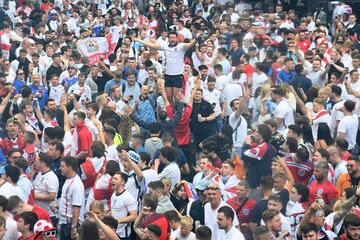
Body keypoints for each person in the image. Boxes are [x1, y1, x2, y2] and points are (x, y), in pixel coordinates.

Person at [58, 157, 85, 240]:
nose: (60, 168)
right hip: (64, 223)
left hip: (70, 224)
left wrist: (74, 227)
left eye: (62, 166)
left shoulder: (76, 184)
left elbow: (77, 207)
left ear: (69, 167)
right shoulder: (68, 180)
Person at [110, 171, 138, 239]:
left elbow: (134, 216)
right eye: (113, 178)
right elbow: (114, 211)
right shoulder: (113, 195)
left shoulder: (128, 197)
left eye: (116, 179)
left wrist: (117, 221)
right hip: (112, 232)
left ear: (122, 182)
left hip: (123, 235)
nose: (112, 180)